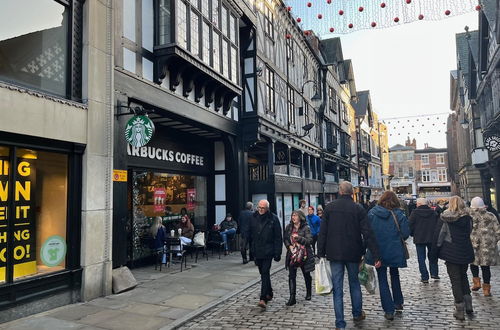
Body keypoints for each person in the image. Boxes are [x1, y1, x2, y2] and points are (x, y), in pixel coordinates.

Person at [318, 181, 381, 330]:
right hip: (353, 252)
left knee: (338, 289)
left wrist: (320, 253)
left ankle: (340, 323)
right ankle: (357, 313)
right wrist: (376, 254)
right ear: (352, 192)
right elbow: (368, 233)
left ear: (339, 191)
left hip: (334, 253)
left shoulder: (329, 208)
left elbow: (323, 233)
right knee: (354, 284)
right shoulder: (358, 208)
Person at [366, 191, 410, 321]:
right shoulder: (399, 214)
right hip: (394, 250)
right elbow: (406, 233)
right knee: (394, 275)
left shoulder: (372, 213)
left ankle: (388, 310)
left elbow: (368, 233)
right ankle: (398, 302)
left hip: (378, 251)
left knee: (382, 279)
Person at [430, 196, 474, 320]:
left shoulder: (445, 219)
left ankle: (459, 309)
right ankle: (469, 304)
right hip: (465, 251)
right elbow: (469, 232)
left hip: (451, 253)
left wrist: (434, 254)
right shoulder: (468, 218)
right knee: (463, 276)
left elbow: (439, 237)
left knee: (455, 280)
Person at [248, 199, 283, 309]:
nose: (260, 210)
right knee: (263, 273)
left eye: (263, 208)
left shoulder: (273, 218)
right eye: (259, 207)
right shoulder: (253, 217)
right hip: (257, 250)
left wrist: (278, 252)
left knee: (265, 272)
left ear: (267, 208)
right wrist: (250, 250)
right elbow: (250, 234)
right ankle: (270, 292)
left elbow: (278, 237)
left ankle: (263, 298)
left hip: (268, 250)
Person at [469, 196, 500, 297]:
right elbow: (498, 231)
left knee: (473, 264)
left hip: (473, 244)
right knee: (485, 267)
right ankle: (486, 289)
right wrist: (494, 241)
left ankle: (476, 282)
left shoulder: (469, 216)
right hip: (487, 246)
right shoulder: (491, 215)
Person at [283, 210, 315, 306]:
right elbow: (285, 238)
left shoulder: (306, 228)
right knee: (291, 276)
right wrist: (289, 246)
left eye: (295, 215)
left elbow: (309, 241)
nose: (293, 217)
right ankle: (292, 297)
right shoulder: (289, 227)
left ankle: (308, 292)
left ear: (300, 217)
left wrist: (299, 238)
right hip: (293, 254)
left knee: (306, 274)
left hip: (304, 255)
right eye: (292, 215)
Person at [409, 197, 440, 283]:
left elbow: (410, 225)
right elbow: (437, 225)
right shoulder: (433, 212)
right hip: (432, 237)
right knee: (433, 256)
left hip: (419, 238)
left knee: (421, 258)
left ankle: (424, 276)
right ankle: (434, 273)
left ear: (418, 204)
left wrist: (412, 234)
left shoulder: (414, 213)